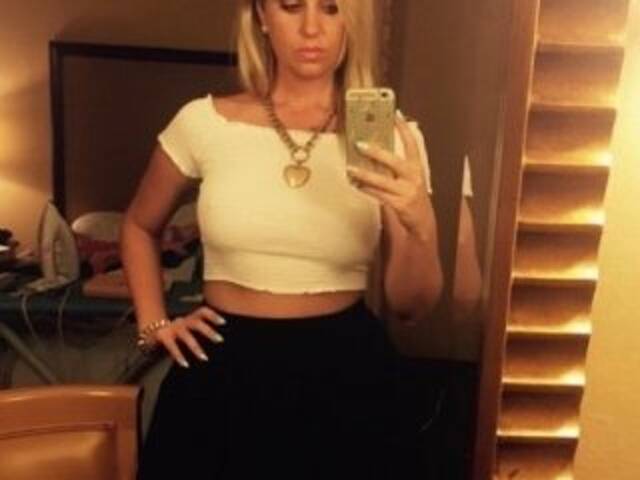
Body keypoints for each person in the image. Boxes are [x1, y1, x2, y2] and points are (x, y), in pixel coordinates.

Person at [121, 0, 443, 478]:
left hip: (348, 377)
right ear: (261, 15)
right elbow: (138, 226)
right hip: (222, 371)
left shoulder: (391, 137)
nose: (312, 27)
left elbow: (410, 306)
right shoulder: (203, 122)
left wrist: (421, 225)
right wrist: (153, 323)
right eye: (291, 5)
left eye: (331, 8)